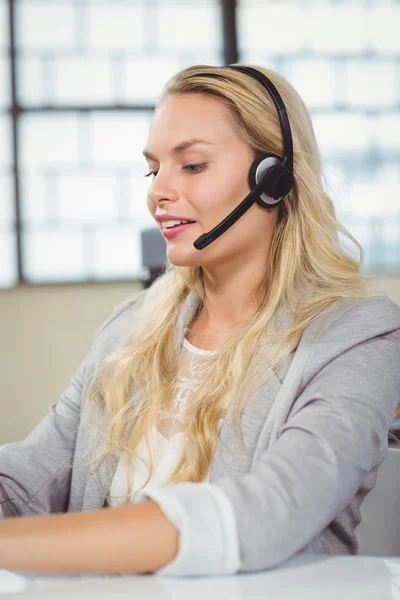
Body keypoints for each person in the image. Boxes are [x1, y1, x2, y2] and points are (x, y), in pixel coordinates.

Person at [1, 63, 400, 578]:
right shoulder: (131, 328)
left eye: (191, 166)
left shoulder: (358, 336)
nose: (157, 192)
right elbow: (24, 481)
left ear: (272, 180)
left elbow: (265, 515)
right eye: (153, 169)